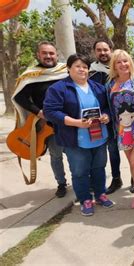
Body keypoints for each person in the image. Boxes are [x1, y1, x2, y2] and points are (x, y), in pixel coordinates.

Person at [43, 54, 114, 216]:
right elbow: (50, 111)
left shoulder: (98, 88)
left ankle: (100, 194)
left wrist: (106, 116)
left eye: (85, 66)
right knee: (79, 171)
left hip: (99, 137)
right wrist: (76, 122)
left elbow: (107, 107)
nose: (82, 69)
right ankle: (85, 199)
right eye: (77, 66)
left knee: (99, 167)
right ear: (68, 68)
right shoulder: (58, 88)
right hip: (75, 139)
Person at [12, 41, 68, 198]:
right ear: (38, 55)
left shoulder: (65, 71)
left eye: (51, 53)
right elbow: (19, 97)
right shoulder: (31, 76)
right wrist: (38, 112)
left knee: (75, 155)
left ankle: (82, 181)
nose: (48, 56)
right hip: (49, 125)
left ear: (56, 55)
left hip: (70, 122)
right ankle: (61, 183)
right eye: (45, 53)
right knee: (56, 156)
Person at [89, 39, 134, 194]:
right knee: (113, 151)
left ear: (111, 49)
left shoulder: (123, 70)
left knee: (132, 149)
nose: (102, 53)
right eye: (99, 50)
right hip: (107, 119)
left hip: (127, 117)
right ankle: (116, 179)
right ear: (95, 52)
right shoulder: (92, 72)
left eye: (105, 49)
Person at [107, 49, 134, 210]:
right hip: (122, 130)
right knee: (132, 165)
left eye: (125, 61)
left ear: (130, 62)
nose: (123, 64)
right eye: (119, 62)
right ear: (114, 65)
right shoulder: (110, 83)